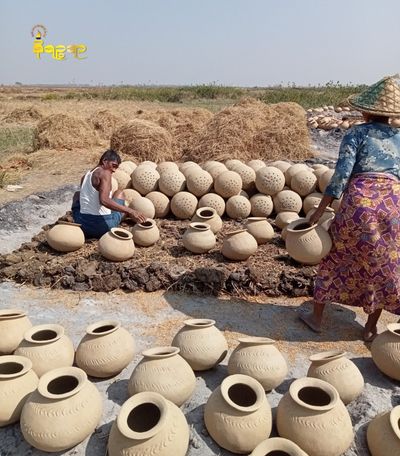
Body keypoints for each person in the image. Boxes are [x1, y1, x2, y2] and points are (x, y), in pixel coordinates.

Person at [300, 74, 400, 341]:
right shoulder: (399, 137)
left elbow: (342, 175)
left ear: (366, 110)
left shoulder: (356, 133)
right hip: (392, 205)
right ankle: (370, 327)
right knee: (383, 264)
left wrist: (320, 211)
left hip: (359, 206)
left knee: (334, 256)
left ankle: (316, 318)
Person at [72, 149, 146, 238]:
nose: (114, 170)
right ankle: (118, 217)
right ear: (105, 161)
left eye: (116, 167)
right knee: (119, 193)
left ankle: (74, 217)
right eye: (113, 165)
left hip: (82, 225)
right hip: (102, 227)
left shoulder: (85, 175)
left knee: (77, 194)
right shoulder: (104, 173)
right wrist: (131, 211)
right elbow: (104, 200)